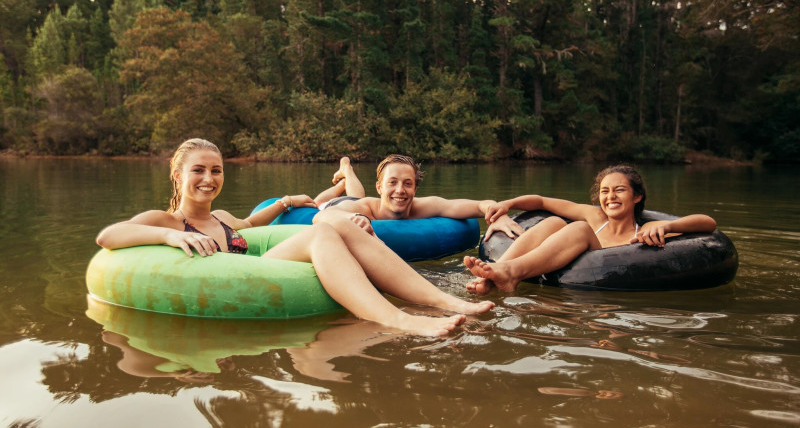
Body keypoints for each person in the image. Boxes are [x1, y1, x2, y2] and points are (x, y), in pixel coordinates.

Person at [96, 139, 494, 336]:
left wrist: (289, 200)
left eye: (216, 171)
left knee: (333, 223)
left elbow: (255, 225)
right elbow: (108, 236)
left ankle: (441, 299)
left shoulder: (222, 217)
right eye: (198, 170)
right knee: (319, 235)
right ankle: (396, 318)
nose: (208, 179)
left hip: (256, 269)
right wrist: (169, 239)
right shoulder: (164, 219)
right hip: (233, 281)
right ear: (178, 176)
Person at [463, 164, 718, 295]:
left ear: (637, 197)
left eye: (620, 190)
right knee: (553, 222)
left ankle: (509, 273)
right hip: (565, 278)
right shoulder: (595, 215)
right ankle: (495, 276)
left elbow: (708, 224)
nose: (611, 197)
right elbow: (541, 202)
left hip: (602, 294)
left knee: (581, 229)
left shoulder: (648, 227)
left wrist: (670, 225)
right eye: (605, 191)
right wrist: (508, 203)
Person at [312, 154, 523, 238]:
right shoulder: (363, 209)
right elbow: (321, 216)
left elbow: (480, 205)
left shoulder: (423, 206)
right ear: (379, 187)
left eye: (407, 184)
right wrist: (353, 220)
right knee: (332, 199)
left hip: (359, 201)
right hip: (338, 204)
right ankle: (345, 170)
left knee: (356, 194)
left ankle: (346, 173)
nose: (400, 190)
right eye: (392, 183)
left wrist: (499, 214)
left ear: (415, 189)